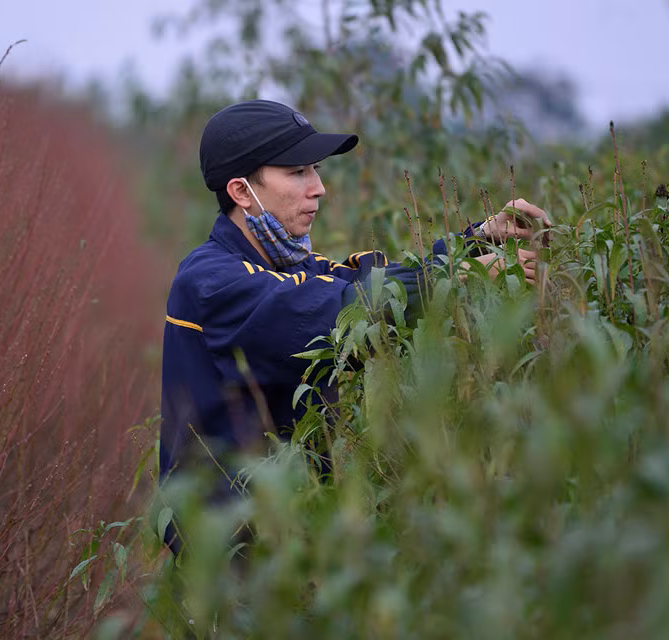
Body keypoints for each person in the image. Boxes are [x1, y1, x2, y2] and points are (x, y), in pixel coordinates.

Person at [158, 99, 550, 554]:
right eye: (298, 172)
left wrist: (478, 239)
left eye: (316, 170)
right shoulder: (211, 281)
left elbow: (364, 281)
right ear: (243, 192)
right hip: (233, 561)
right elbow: (339, 308)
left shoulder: (283, 267)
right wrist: (456, 279)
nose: (319, 188)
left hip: (292, 542)